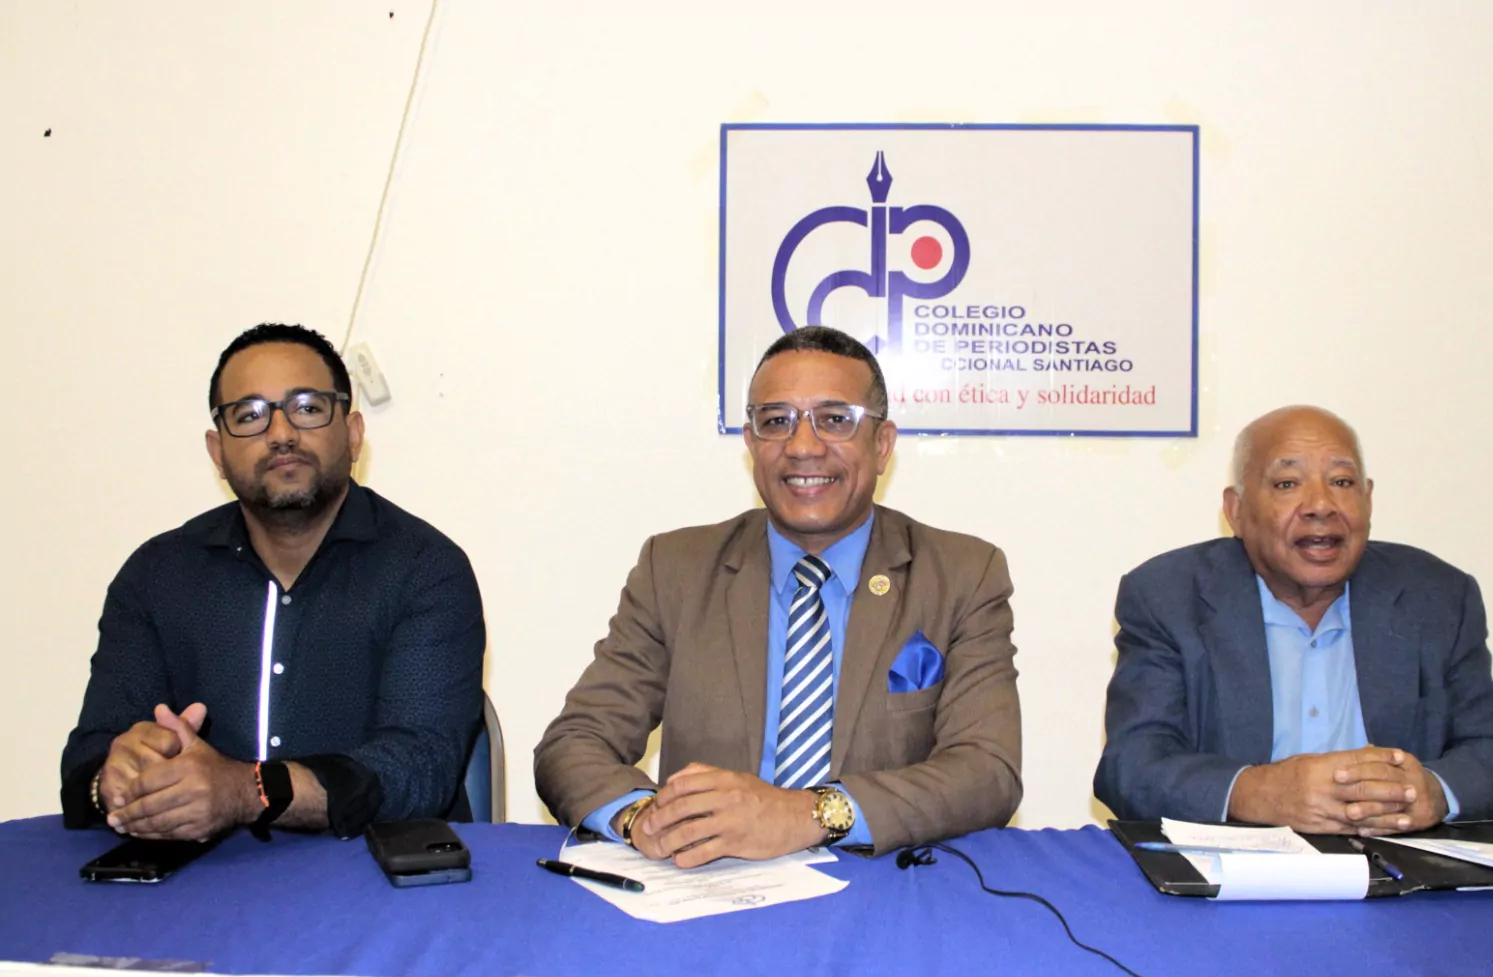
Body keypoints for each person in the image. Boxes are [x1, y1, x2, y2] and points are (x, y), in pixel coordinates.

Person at [536, 326, 1021, 865]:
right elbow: (575, 742)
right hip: (708, 882)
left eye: (834, 420)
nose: (803, 446)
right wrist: (643, 819)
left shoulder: (961, 575)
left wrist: (807, 814)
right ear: (751, 445)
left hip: (884, 883)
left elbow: (987, 771)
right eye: (776, 422)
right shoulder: (675, 570)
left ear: (882, 444)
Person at [60, 324, 485, 841]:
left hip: (371, 871)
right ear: (217, 452)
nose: (281, 433)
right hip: (200, 872)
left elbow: (419, 768)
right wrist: (114, 777)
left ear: (353, 433)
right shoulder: (157, 575)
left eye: (307, 408)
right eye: (249, 415)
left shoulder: (424, 569)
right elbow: (87, 757)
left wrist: (248, 791)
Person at [1094, 405, 1493, 834]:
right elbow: (1132, 768)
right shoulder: (1169, 598)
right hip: (1239, 867)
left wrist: (1435, 792)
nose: (1320, 505)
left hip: (1400, 863)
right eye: (1287, 483)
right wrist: (1260, 793)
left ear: (1367, 500)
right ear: (1236, 511)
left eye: (1341, 482)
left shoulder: (1437, 597)